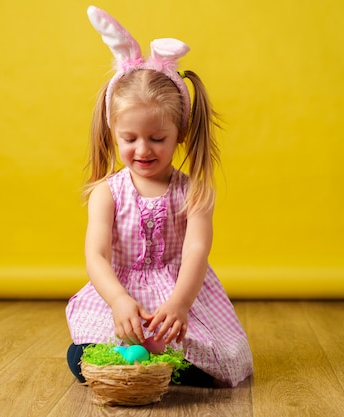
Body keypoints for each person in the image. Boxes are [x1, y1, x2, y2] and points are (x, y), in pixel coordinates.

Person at [65, 5, 253, 387]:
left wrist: (180, 304)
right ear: (113, 132)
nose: (143, 150)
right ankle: (139, 363)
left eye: (157, 138)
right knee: (80, 356)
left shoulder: (193, 191)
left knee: (221, 359)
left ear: (179, 132)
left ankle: (167, 365)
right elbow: (96, 255)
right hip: (120, 295)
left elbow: (196, 251)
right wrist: (119, 301)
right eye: (129, 139)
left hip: (177, 294)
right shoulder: (107, 192)